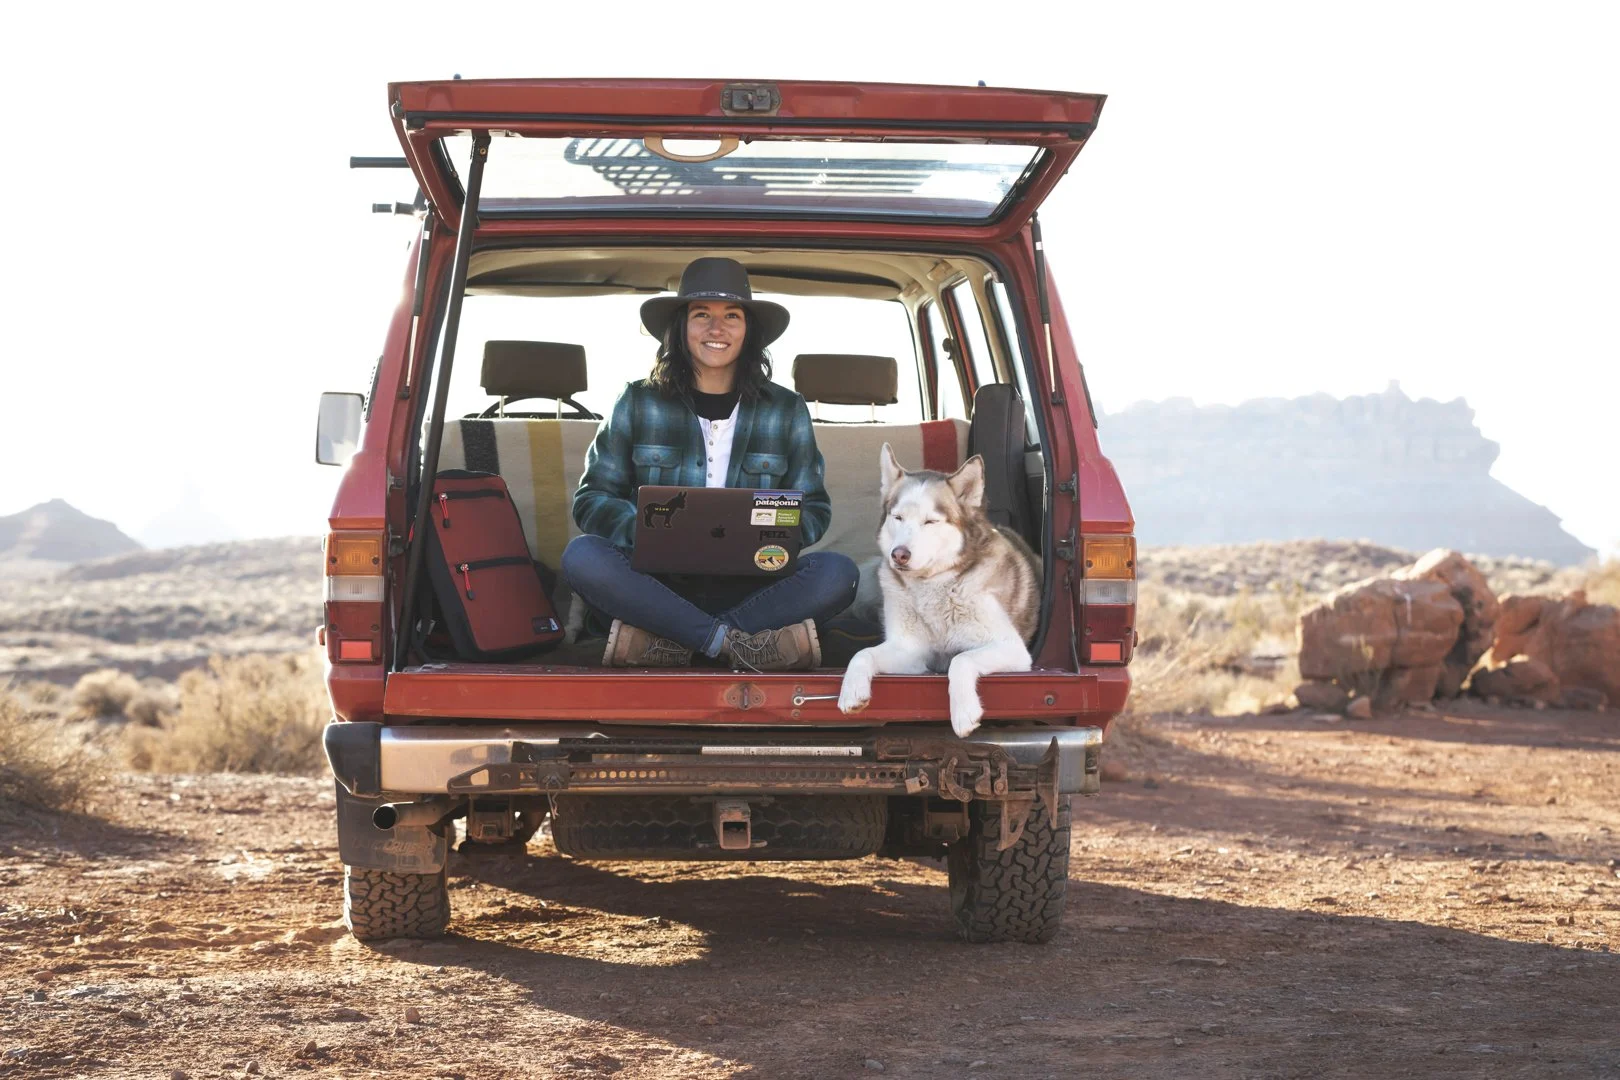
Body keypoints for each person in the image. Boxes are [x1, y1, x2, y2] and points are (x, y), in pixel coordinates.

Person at [561, 257, 859, 670]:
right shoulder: (636, 401)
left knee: (838, 573)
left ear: (748, 330)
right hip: (655, 587)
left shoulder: (786, 410)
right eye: (702, 314)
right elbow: (592, 498)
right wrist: (647, 530)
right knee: (582, 556)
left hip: (754, 586)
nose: (716, 329)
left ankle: (673, 643)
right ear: (681, 327)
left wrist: (771, 538)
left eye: (731, 316)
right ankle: (735, 644)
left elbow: (813, 507)